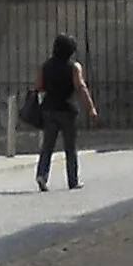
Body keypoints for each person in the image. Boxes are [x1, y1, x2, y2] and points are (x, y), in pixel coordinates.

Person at [34, 33, 96, 190]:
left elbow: (38, 85)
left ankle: (42, 175)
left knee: (47, 145)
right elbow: (81, 88)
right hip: (67, 110)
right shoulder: (74, 67)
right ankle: (73, 180)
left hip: (49, 109)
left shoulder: (46, 66)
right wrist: (91, 108)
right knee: (70, 147)